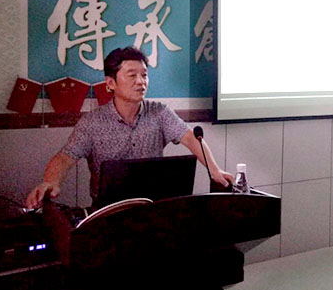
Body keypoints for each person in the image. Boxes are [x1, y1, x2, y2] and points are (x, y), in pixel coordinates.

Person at [26, 46, 234, 209]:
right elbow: (65, 157)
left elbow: (189, 137)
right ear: (110, 83)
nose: (141, 82)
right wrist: (49, 182)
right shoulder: (92, 122)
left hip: (153, 205)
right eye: (132, 75)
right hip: (109, 210)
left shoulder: (159, 112)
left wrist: (214, 170)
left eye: (144, 75)